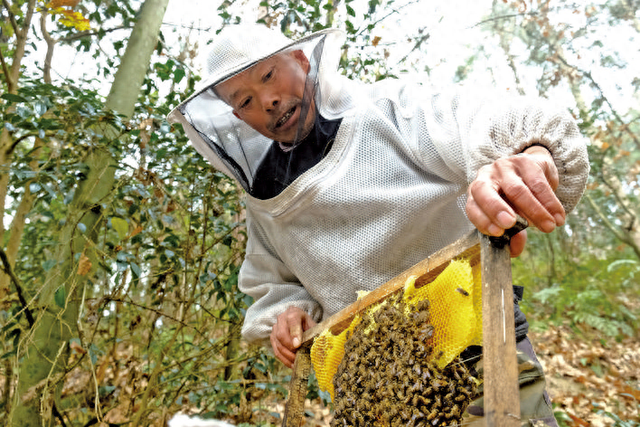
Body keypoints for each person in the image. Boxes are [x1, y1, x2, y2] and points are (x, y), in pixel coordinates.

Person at [168, 23, 589, 426]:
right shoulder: (264, 195)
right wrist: (286, 312)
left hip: (471, 334)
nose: (266, 101)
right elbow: (272, 278)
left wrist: (530, 155)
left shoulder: (391, 109)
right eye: (243, 101)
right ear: (237, 119)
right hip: (368, 379)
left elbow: (483, 119)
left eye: (268, 75)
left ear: (302, 60)